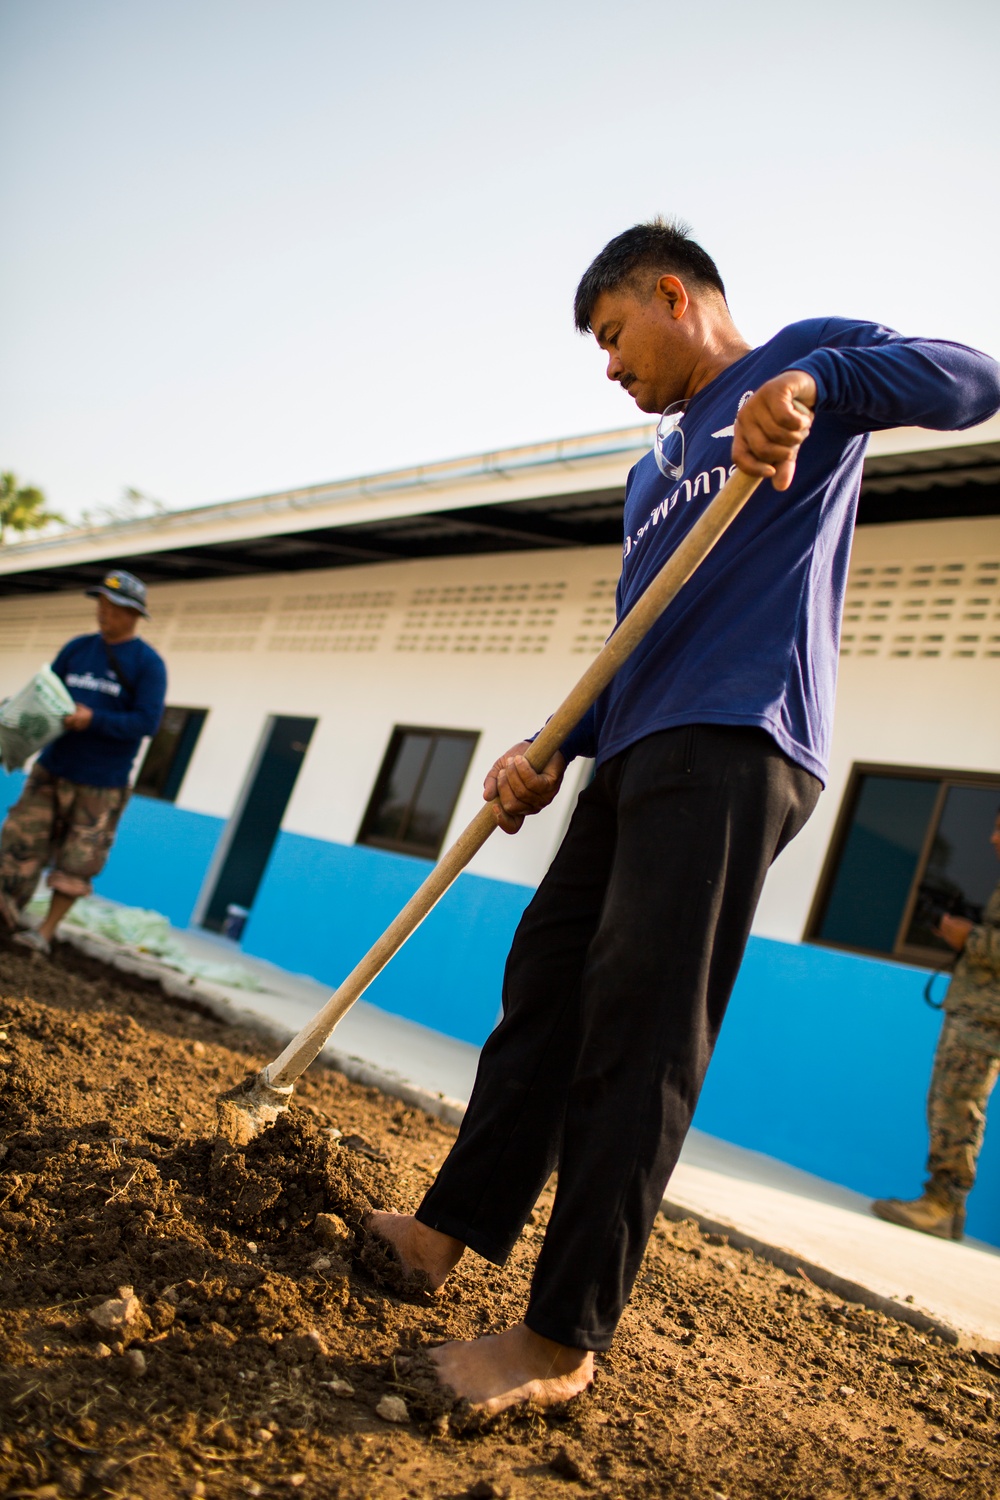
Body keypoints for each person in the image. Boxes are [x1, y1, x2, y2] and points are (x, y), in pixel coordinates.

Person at [366, 220, 1000, 1416]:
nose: (609, 368)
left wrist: (813, 386)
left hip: (739, 739)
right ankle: (446, 1232)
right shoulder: (653, 476)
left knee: (639, 1031)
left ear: (671, 294)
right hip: (638, 750)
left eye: (612, 336)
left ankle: (558, 1341)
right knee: (545, 989)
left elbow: (975, 378)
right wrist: (551, 749)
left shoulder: (803, 362)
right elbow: (637, 639)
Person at [0, 569, 167, 955]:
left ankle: (44, 932)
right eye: (102, 604)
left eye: (115, 607)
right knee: (18, 843)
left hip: (102, 783)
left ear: (134, 615)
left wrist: (94, 719)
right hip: (52, 768)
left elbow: (147, 722)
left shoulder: (148, 664)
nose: (104, 613)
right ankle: (6, 919)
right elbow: (47, 691)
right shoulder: (77, 649)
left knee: (79, 860)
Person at [873, 812, 1000, 1240]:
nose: (993, 836)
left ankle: (944, 1205)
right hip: (973, 1013)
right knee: (947, 1104)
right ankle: (939, 1200)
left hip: (987, 1020)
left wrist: (969, 936)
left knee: (958, 1109)